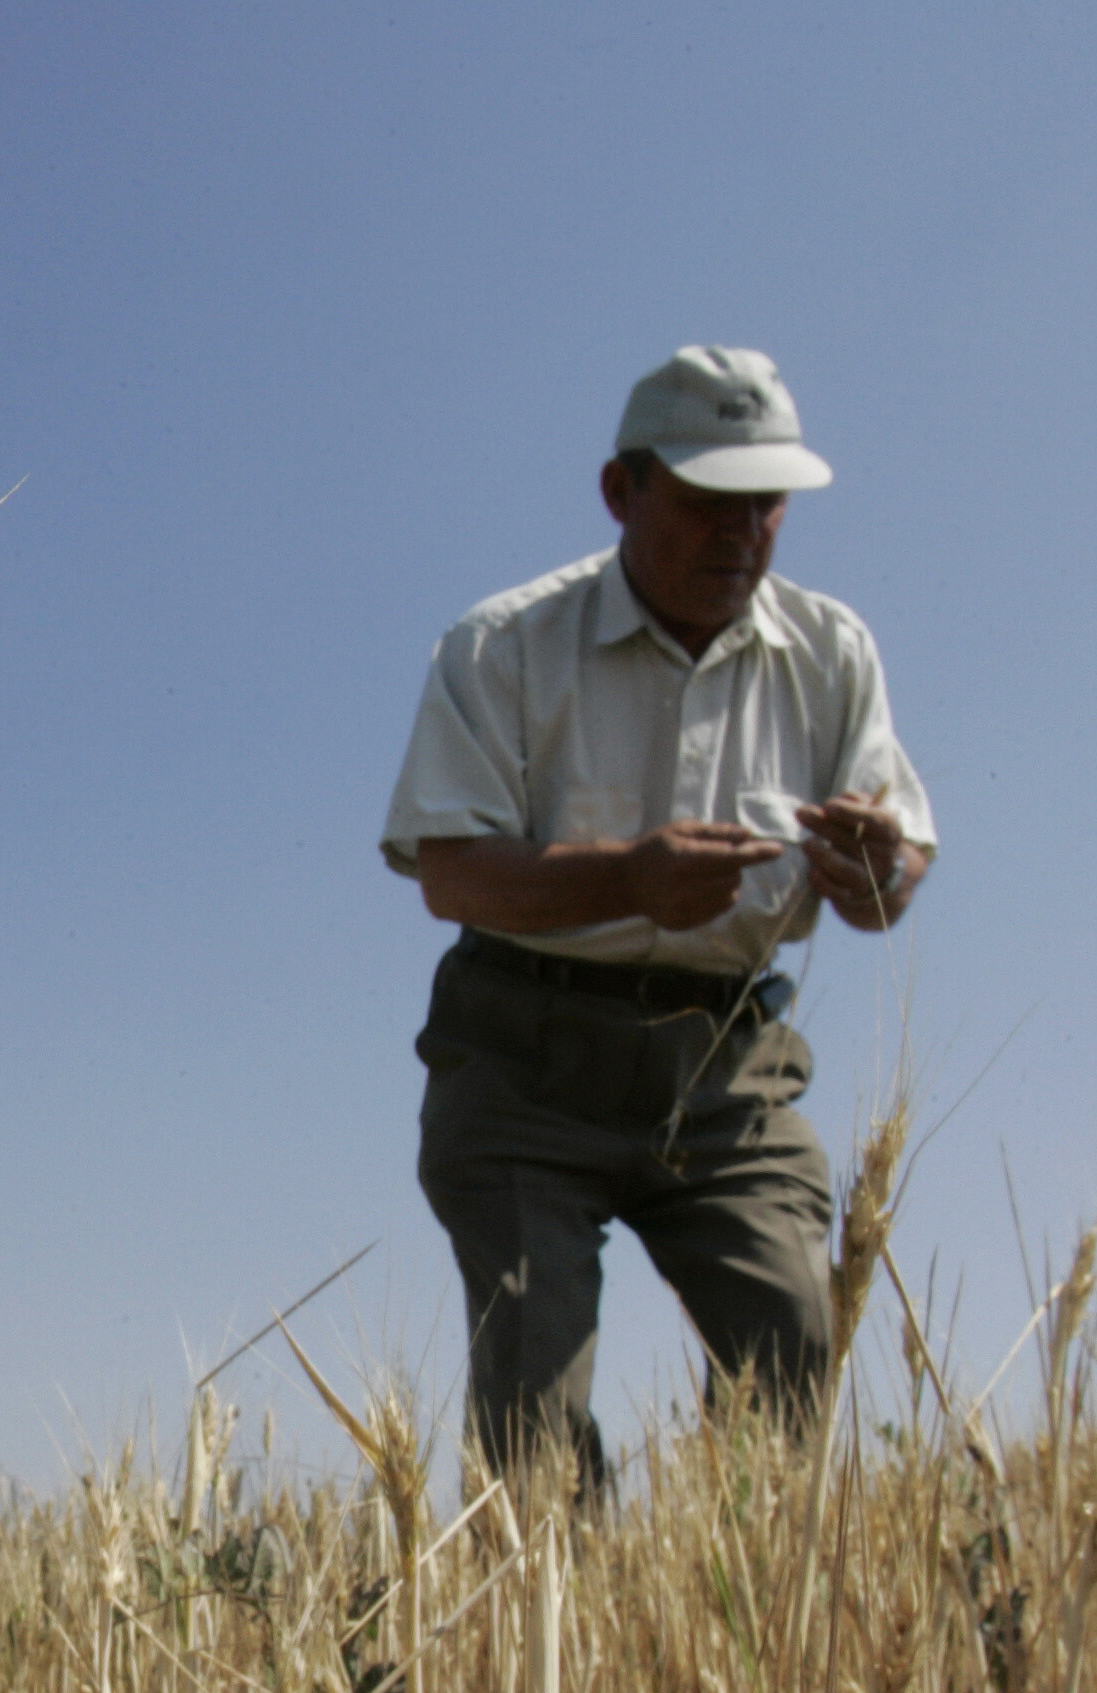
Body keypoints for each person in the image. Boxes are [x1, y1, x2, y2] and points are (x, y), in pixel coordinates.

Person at [379, 345, 936, 1485]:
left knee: (796, 1353)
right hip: (525, 1063)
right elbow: (452, 874)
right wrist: (626, 878)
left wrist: (881, 866)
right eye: (709, 499)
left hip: (728, 1071)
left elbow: (892, 882)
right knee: (534, 1415)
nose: (743, 529)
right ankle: (554, 1648)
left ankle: (743, 1627)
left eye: (766, 502)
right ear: (621, 491)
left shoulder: (832, 653)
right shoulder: (503, 646)